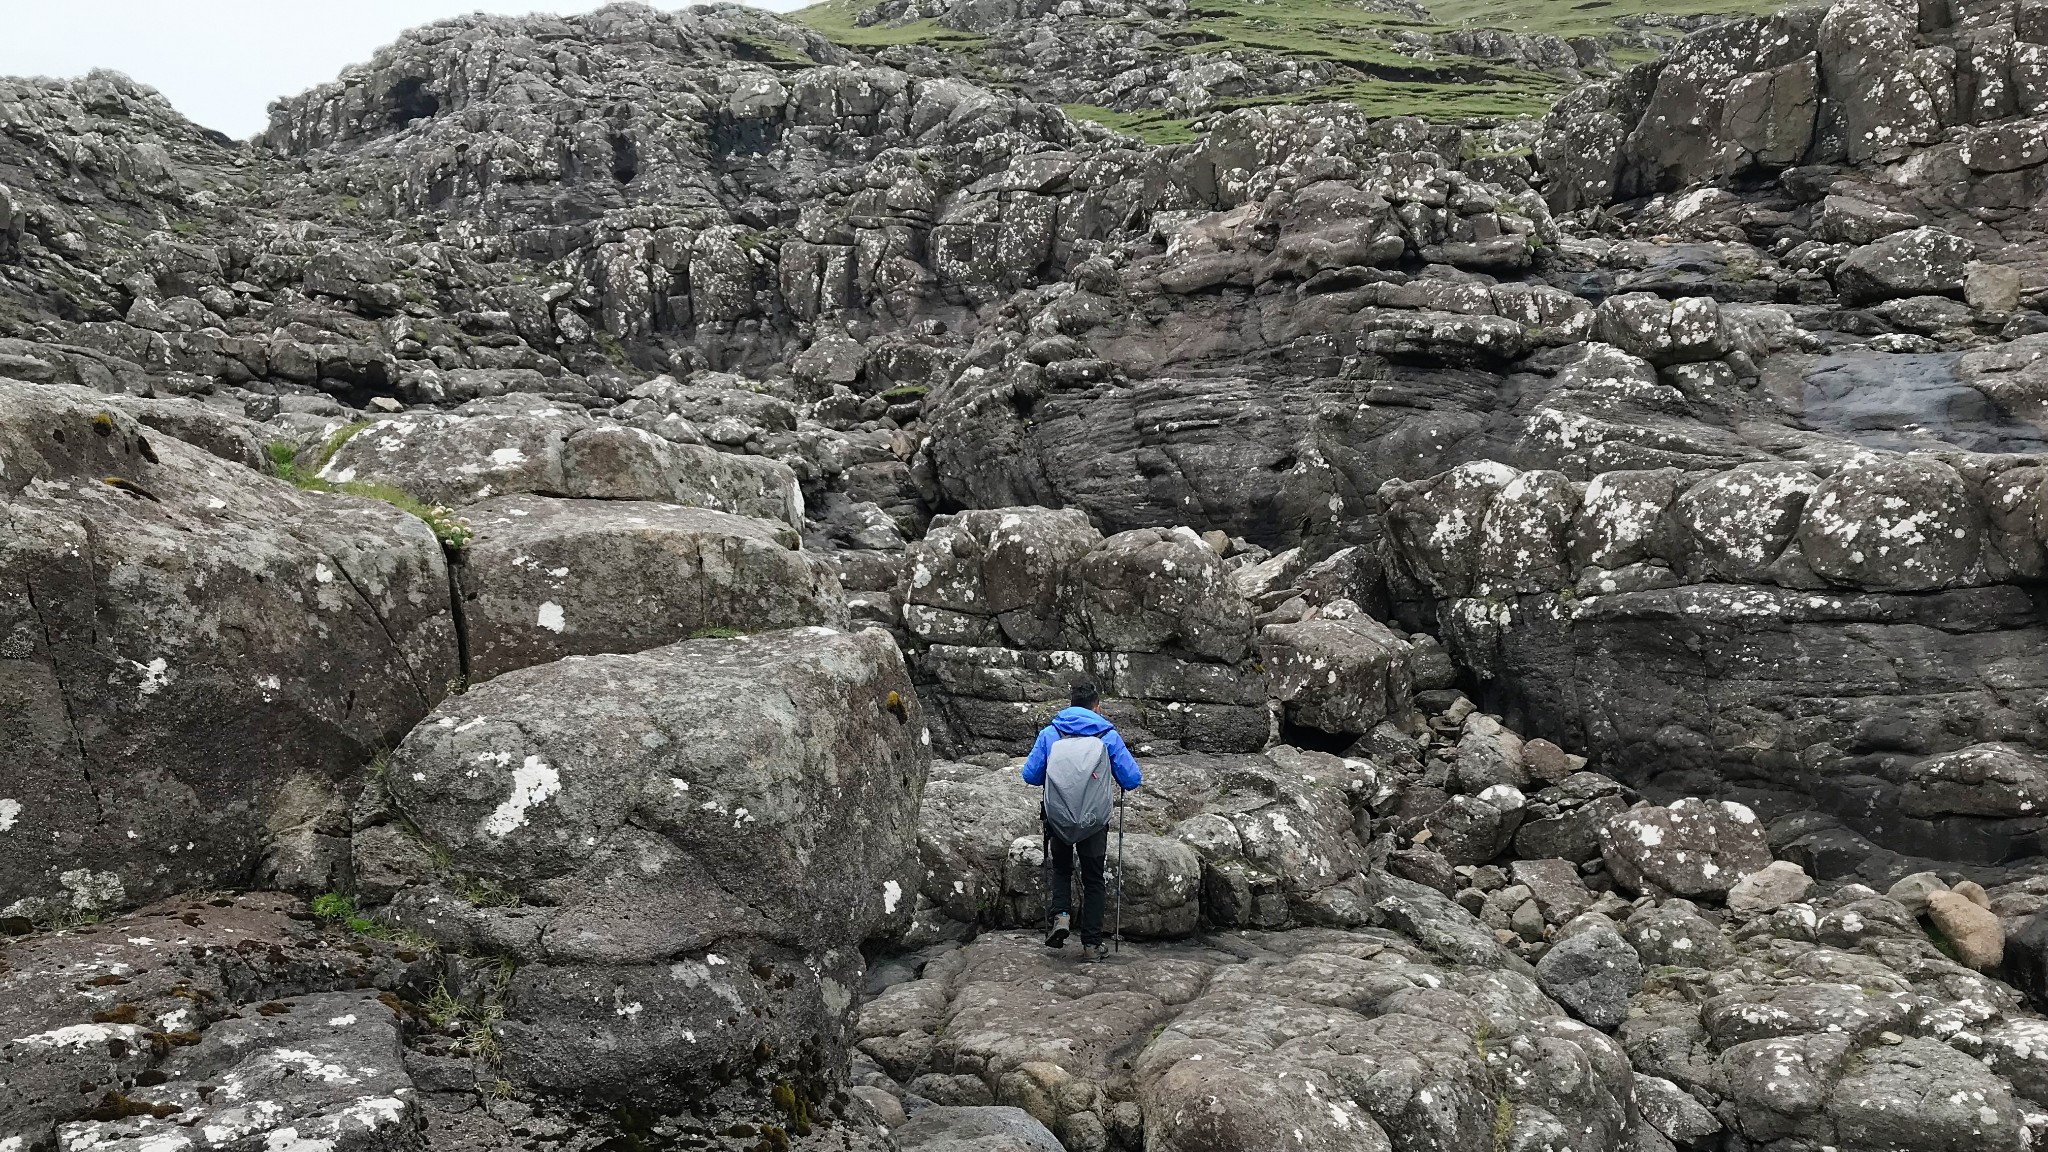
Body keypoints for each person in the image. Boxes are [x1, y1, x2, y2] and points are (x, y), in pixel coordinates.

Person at [1021, 681, 1143, 961]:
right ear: (1096, 707)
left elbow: (1030, 775)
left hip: (1059, 817)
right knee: (1093, 880)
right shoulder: (1107, 735)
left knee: (1062, 870)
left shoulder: (1052, 733)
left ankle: (1061, 917)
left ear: (1070, 704)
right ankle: (1091, 944)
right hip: (1094, 820)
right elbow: (1132, 779)